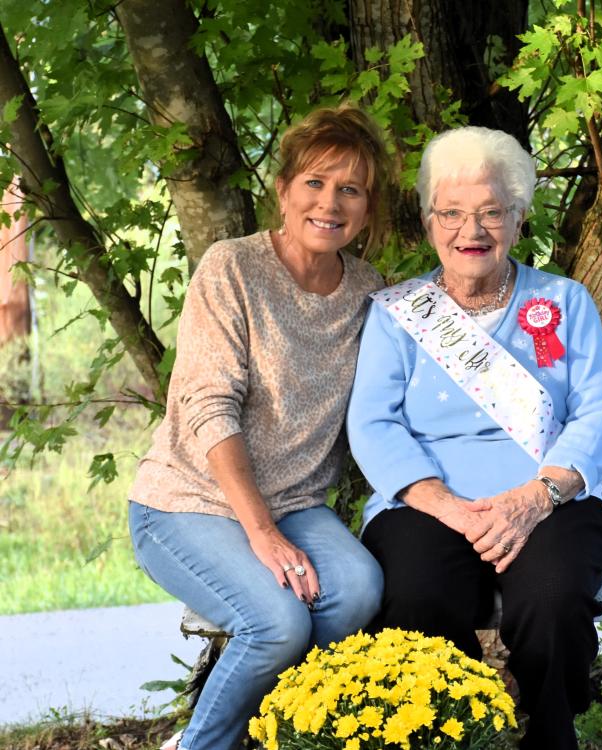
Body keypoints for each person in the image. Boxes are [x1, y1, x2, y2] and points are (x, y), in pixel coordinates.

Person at [347, 126, 602, 750]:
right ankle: (450, 735)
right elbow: (373, 423)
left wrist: (534, 499)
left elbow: (598, 413)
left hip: (549, 499)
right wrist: (449, 508)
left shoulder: (563, 302)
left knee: (555, 599)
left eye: (490, 212)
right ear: (429, 221)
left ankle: (552, 736)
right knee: (417, 596)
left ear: (519, 217)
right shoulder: (398, 313)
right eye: (451, 213)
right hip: (427, 503)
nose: (469, 231)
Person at [128, 105, 391, 750]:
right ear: (282, 190)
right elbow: (209, 405)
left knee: (358, 590)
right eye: (315, 183)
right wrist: (263, 534)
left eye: (350, 189)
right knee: (275, 623)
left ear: (368, 208)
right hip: (186, 504)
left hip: (297, 506)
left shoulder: (370, 292)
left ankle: (285, 735)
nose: (330, 203)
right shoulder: (232, 268)